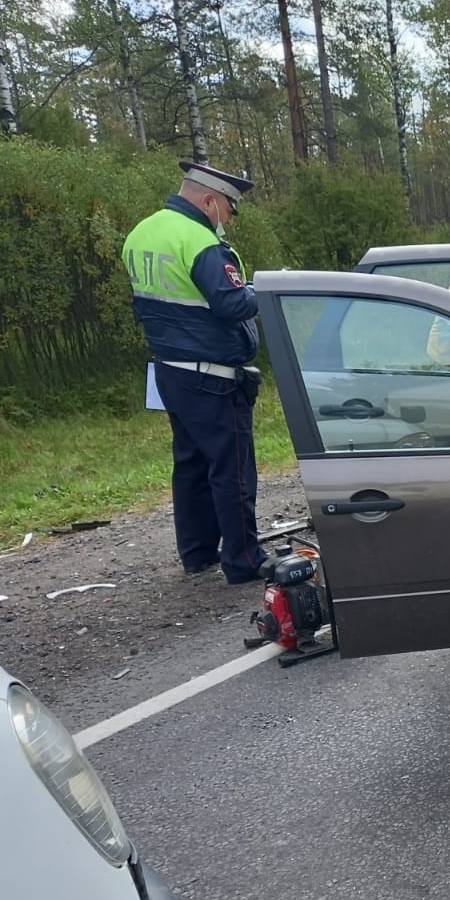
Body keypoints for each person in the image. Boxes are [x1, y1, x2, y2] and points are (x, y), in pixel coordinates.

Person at [122, 160, 267, 585]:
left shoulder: (141, 233)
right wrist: (271, 289)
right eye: (227, 209)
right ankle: (243, 561)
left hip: (170, 370)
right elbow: (233, 303)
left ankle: (198, 551)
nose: (229, 221)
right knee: (232, 467)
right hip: (212, 374)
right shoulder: (200, 241)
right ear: (208, 200)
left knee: (190, 463)